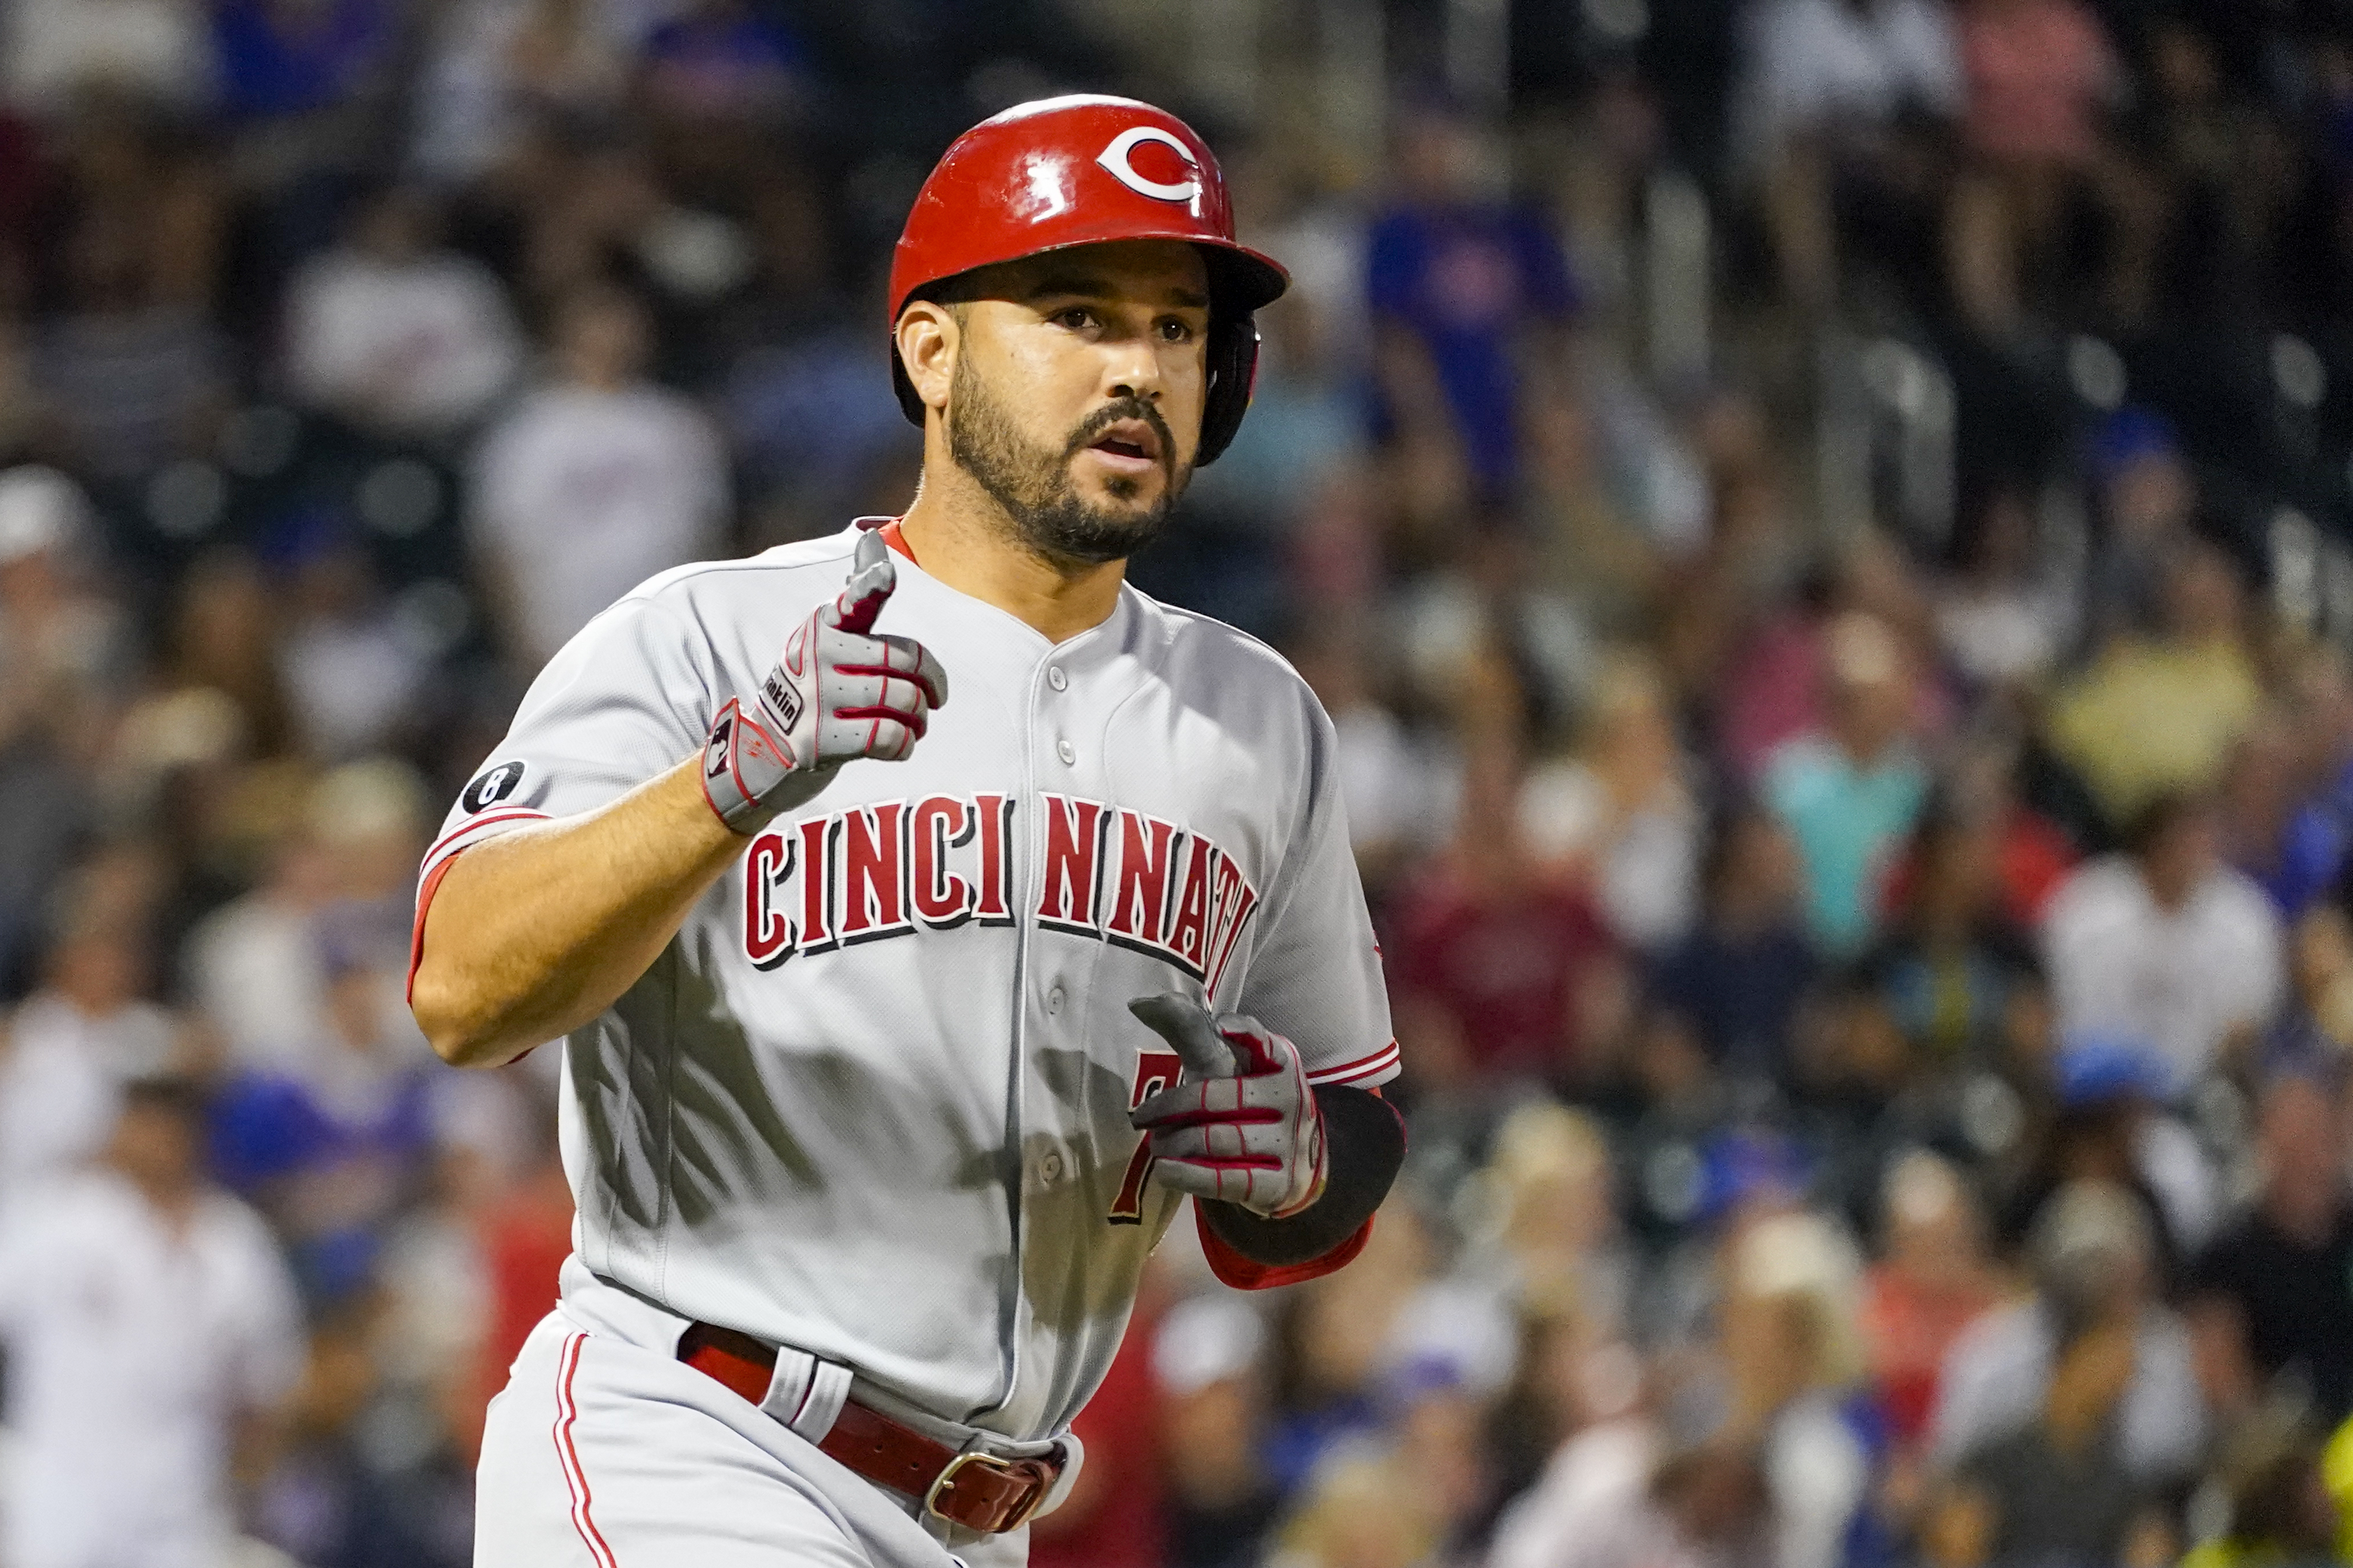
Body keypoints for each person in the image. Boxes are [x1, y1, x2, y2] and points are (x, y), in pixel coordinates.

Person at [411, 96, 1408, 1567]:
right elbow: (460, 985)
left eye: (1179, 330)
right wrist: (722, 787)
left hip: (984, 1516)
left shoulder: (1257, 722)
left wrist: (1300, 1160)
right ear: (930, 352)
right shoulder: (711, 636)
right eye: (1079, 312)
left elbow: (1347, 1135)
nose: (1139, 369)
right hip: (694, 1449)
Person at [0, 1077, 304, 1568]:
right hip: (63, 1488)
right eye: (140, 1122)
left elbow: (269, 1383)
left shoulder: (233, 1242)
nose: (152, 1139)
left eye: (167, 1125)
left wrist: (247, 1479)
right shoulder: (58, 1217)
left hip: (182, 1498)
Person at [468, 281, 730, 667]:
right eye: (601, 320)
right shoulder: (527, 430)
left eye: (626, 321)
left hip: (662, 635)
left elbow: (705, 534)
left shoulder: (674, 421)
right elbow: (500, 546)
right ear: (563, 332)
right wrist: (520, 642)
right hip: (561, 632)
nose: (616, 333)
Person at [2041, 792, 2282, 1093]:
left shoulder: (2245, 919)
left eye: (2202, 840)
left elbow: (2247, 1025)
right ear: (2153, 844)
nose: (2193, 853)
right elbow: (2051, 1001)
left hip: (2198, 1091)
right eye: (2182, 841)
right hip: (2089, 1088)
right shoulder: (2087, 906)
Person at [2188, 1073, 2353, 1426]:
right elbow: (2220, 1379)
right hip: (2282, 1443)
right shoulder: (2228, 1257)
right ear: (2266, 1148)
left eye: (2320, 1140)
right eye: (2295, 1145)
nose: (2311, 1159)